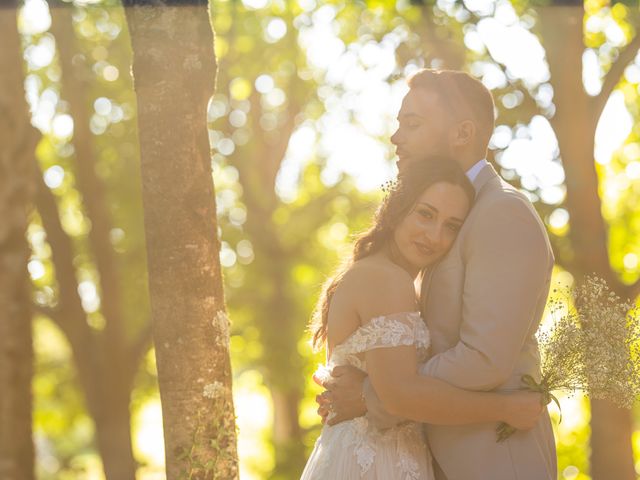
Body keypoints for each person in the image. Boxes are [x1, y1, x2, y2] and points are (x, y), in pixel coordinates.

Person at [315, 69, 557, 480]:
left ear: (462, 133)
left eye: (412, 123)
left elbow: (484, 360)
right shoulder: (447, 215)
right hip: (426, 455)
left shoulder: (502, 212)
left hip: (492, 459)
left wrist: (376, 391)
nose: (396, 137)